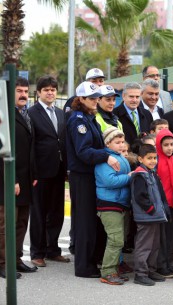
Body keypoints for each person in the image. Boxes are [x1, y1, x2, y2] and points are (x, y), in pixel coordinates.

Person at [67, 81, 117, 278]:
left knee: (90, 220)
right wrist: (106, 156)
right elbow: (84, 151)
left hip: (89, 174)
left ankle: (90, 260)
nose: (96, 101)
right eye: (92, 98)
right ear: (81, 99)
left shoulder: (89, 117)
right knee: (84, 221)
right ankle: (83, 266)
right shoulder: (78, 120)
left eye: (97, 98)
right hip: (82, 175)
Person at [28, 75, 68, 268]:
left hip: (59, 170)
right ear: (38, 93)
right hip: (40, 172)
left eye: (53, 89)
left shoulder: (60, 114)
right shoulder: (31, 113)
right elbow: (31, 145)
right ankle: (37, 252)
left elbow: (62, 141)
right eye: (46, 90)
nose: (50, 92)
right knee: (38, 213)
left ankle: (53, 249)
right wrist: (32, 172)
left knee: (56, 212)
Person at [0, 77, 37, 279]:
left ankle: (16, 259)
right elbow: (3, 151)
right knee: (6, 224)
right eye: (19, 91)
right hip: (8, 179)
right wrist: (11, 178)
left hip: (25, 179)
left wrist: (34, 175)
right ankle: (3, 263)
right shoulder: (4, 116)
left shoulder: (25, 114)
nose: (23, 94)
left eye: (25, 91)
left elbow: (29, 148)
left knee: (21, 222)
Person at [95, 127, 131, 285]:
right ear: (108, 143)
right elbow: (109, 181)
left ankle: (114, 270)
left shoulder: (118, 157)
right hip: (110, 204)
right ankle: (108, 271)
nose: (122, 145)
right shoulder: (105, 160)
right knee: (115, 239)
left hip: (120, 202)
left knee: (119, 239)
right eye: (117, 142)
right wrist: (129, 177)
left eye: (122, 142)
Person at [130, 144, 170, 286]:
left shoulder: (151, 173)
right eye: (149, 158)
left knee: (154, 245)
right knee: (144, 246)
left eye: (154, 158)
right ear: (141, 159)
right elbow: (140, 197)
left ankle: (150, 270)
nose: (153, 161)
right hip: (147, 217)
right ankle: (140, 273)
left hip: (155, 216)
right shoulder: (140, 175)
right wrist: (151, 209)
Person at [155, 129, 173, 278]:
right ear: (159, 145)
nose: (170, 148)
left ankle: (168, 263)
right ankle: (160, 265)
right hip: (160, 205)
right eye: (166, 145)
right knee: (162, 237)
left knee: (171, 235)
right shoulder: (156, 161)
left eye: (172, 144)